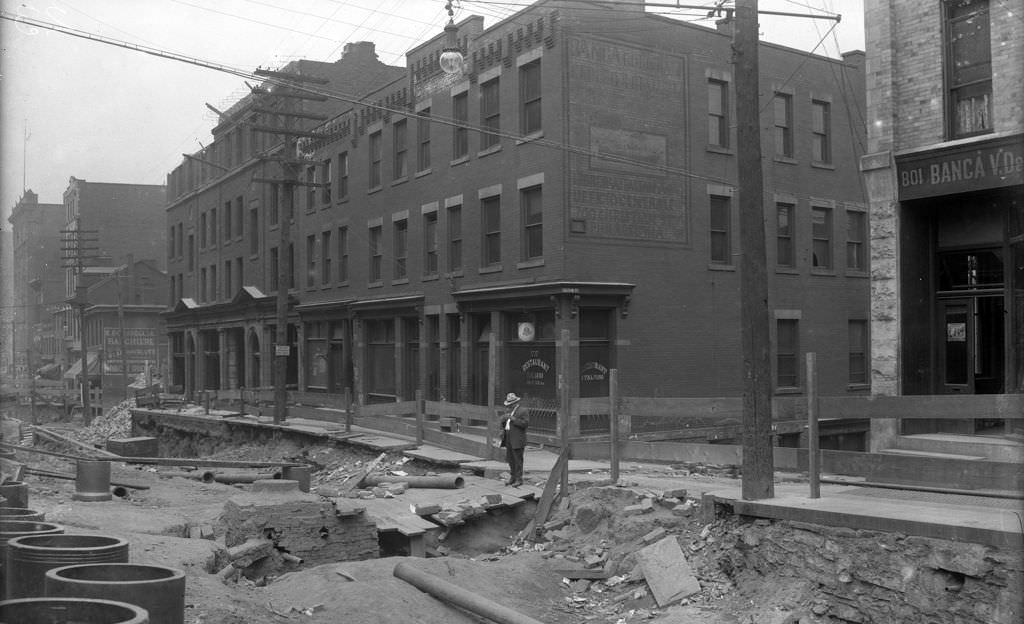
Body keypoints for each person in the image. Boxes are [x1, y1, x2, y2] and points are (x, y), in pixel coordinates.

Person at [499, 392, 528, 487]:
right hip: (508, 438)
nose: (509, 406)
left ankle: (519, 479)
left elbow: (525, 424)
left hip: (517, 439)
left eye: (510, 404)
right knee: (510, 459)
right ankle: (512, 478)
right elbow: (504, 422)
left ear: (515, 403)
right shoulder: (508, 411)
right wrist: (502, 424)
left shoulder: (523, 411)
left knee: (518, 460)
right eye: (508, 405)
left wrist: (513, 419)